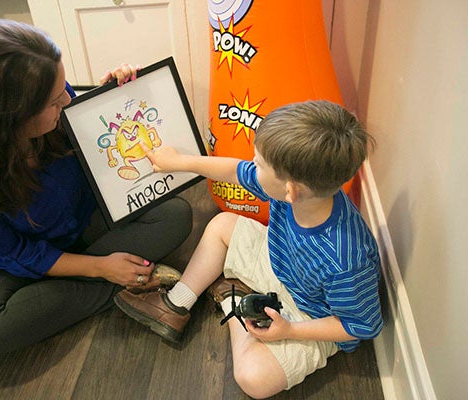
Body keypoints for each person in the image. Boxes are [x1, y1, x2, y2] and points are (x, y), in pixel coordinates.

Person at [0, 18, 192, 356]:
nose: (66, 100)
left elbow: (106, 152)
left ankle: (78, 287)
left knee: (175, 215)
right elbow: (14, 252)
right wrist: (101, 268)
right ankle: (118, 287)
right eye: (52, 101)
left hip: (83, 220)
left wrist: (110, 100)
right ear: (4, 116)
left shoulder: (59, 103)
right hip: (23, 249)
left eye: (65, 88)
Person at [114, 100, 383, 398]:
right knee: (222, 225)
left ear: (291, 190)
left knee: (253, 378)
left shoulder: (345, 261)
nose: (252, 166)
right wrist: (179, 162)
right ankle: (175, 305)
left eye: (259, 163)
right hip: (280, 261)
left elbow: (359, 325)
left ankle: (235, 299)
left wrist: (290, 332)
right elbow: (233, 170)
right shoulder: (298, 191)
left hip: (310, 316)